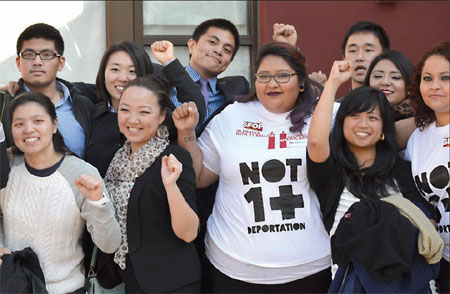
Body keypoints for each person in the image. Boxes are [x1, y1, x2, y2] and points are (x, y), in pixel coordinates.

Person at [173, 41, 332, 293]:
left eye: (282, 76)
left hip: (309, 267)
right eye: (264, 76)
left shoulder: (325, 115)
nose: (272, 84)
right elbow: (200, 177)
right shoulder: (232, 116)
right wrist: (187, 133)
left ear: (301, 82)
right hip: (232, 267)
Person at [307, 60, 440, 291]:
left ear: (382, 130)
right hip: (353, 284)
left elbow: (426, 225)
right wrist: (334, 82)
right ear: (342, 122)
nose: (363, 124)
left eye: (373, 118)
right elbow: (317, 142)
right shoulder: (332, 173)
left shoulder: (401, 170)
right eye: (355, 116)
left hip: (406, 284)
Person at [0, 92, 120, 293]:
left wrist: (99, 203)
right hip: (14, 287)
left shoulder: (82, 173)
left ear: (55, 124)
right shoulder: (7, 170)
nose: (28, 129)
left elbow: (109, 244)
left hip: (66, 289)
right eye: (19, 124)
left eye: (38, 121)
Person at [96, 76, 201, 293]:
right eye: (125, 110)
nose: (132, 119)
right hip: (132, 281)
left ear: (162, 116)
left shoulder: (173, 158)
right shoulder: (115, 160)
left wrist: (171, 186)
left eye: (144, 112)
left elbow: (189, 232)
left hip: (173, 283)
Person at [84, 40, 205, 178]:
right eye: (115, 70)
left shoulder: (160, 117)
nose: (123, 78)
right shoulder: (92, 113)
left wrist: (169, 62)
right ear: (103, 75)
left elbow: (196, 109)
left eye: (132, 71)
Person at [1, 23, 94, 158]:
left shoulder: (82, 102)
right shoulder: (4, 105)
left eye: (46, 54)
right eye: (29, 54)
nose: (37, 61)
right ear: (18, 62)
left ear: (61, 63)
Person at [405, 41, 450, 293]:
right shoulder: (417, 139)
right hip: (441, 260)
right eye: (427, 78)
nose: (435, 86)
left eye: (445, 78)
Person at [364, 50, 414, 121]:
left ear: (409, 85)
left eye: (395, 77)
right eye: (378, 76)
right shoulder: (354, 112)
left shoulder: (419, 123)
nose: (385, 82)